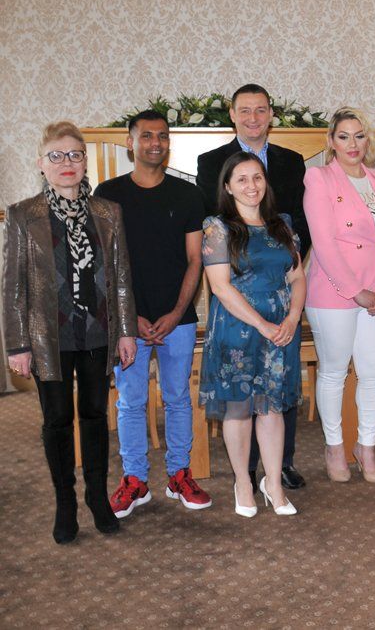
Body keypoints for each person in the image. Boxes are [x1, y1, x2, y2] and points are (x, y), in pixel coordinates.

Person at [4, 121, 138, 543]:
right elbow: (13, 285)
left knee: (97, 417)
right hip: (49, 338)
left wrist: (126, 331)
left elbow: (120, 278)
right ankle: (65, 502)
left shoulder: (107, 212)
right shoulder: (24, 215)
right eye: (57, 156)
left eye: (75, 155)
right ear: (42, 164)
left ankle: (98, 498)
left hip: (99, 334)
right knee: (57, 420)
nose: (67, 163)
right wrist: (18, 343)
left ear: (84, 162)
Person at [94, 110, 212, 518]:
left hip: (176, 318)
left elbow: (195, 260)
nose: (155, 143)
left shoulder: (187, 195)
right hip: (128, 323)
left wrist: (177, 312)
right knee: (131, 401)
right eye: (146, 136)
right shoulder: (107, 194)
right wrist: (131, 318)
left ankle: (179, 473)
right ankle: (135, 480)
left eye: (162, 136)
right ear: (131, 142)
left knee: (179, 399)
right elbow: (104, 266)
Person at [196, 83, 309, 491]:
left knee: (276, 401)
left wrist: (291, 301)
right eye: (245, 110)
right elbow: (216, 248)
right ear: (232, 113)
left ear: (271, 115)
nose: (253, 117)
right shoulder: (211, 163)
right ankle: (245, 476)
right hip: (238, 296)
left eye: (261, 110)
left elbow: (299, 225)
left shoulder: (291, 163)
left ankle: (278, 470)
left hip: (281, 294)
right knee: (241, 404)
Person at [304, 107, 375, 483]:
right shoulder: (319, 178)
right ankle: (334, 447)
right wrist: (354, 291)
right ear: (331, 142)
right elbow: (324, 243)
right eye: (343, 136)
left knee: (374, 372)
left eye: (359, 136)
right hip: (334, 293)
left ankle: (367, 447)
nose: (352, 144)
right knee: (333, 373)